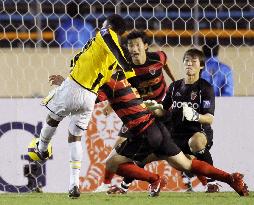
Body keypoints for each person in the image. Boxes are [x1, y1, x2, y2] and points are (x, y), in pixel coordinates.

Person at [28, 14, 135, 198]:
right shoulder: (108, 52)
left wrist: (129, 69)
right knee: (75, 137)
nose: (100, 27)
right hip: (89, 97)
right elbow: (94, 64)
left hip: (75, 86)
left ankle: (42, 148)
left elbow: (113, 48)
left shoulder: (105, 34)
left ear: (109, 25)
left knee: (53, 118)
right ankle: (74, 185)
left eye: (103, 24)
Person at [96, 68, 248, 197]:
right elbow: (161, 109)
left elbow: (91, 99)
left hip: (145, 131)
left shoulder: (107, 81)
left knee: (114, 163)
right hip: (161, 129)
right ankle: (230, 178)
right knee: (186, 164)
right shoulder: (123, 76)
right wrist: (153, 106)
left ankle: (152, 180)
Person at [94, 30, 176, 192]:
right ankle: (106, 185)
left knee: (176, 152)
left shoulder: (158, 58)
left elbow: (165, 64)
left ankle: (124, 186)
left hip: (160, 111)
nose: (133, 48)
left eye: (137, 44)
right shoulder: (126, 67)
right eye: (130, 45)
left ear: (145, 46)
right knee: (117, 147)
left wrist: (174, 82)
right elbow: (121, 87)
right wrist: (110, 104)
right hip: (139, 113)